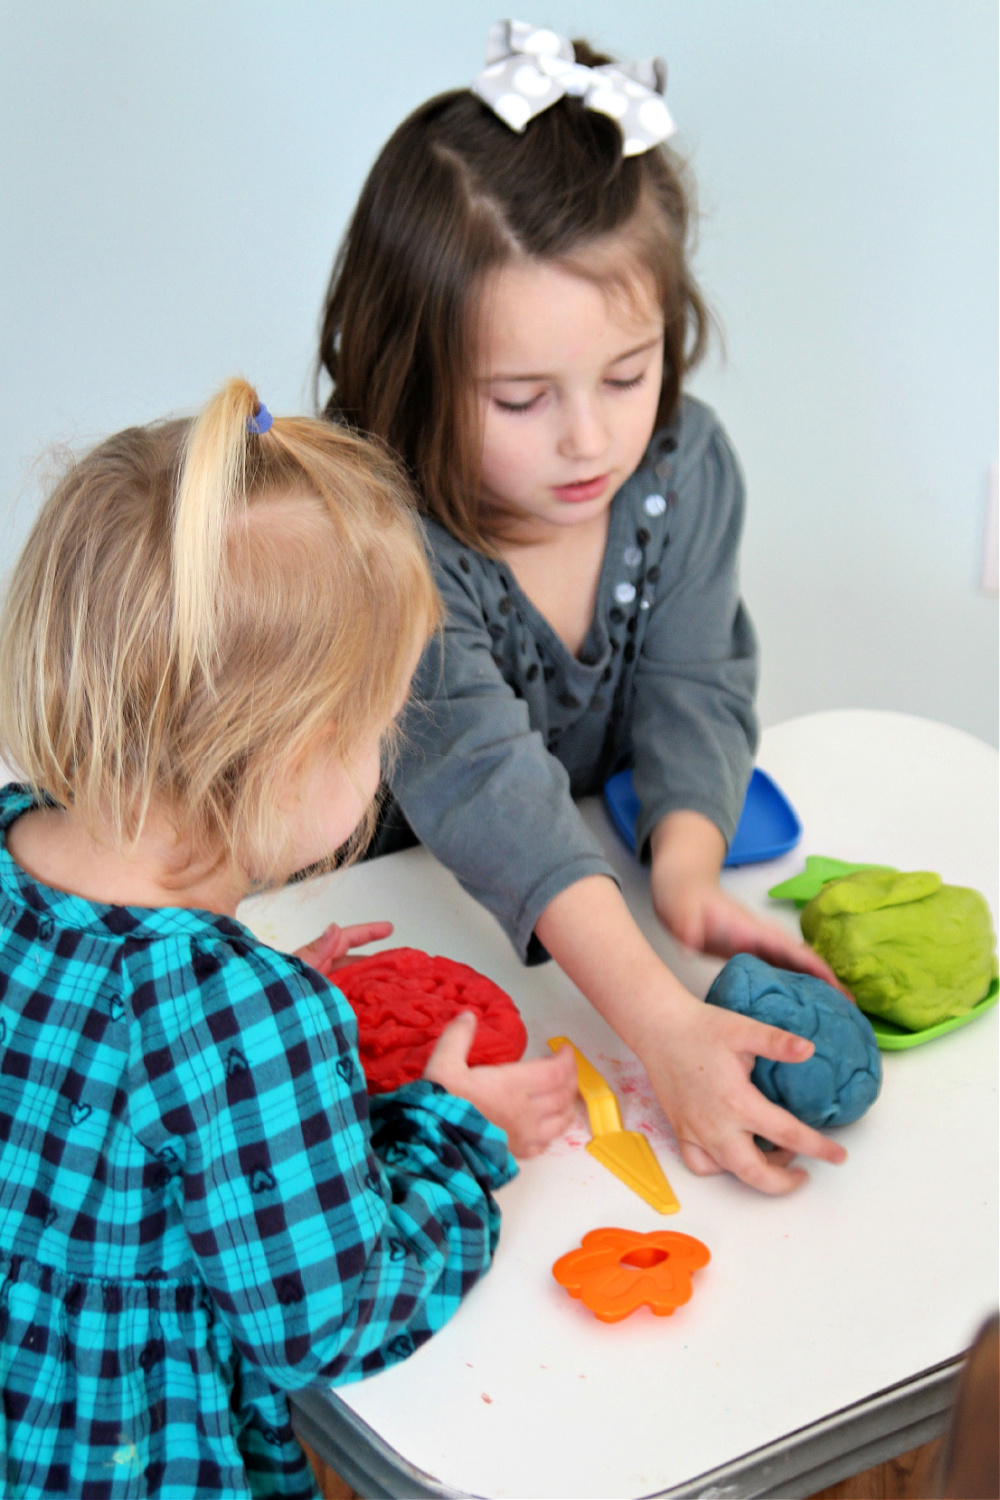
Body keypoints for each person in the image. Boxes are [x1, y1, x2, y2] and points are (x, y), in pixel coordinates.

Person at [0, 378, 575, 1499]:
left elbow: (102, 1066)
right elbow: (335, 1318)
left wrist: (247, 1016)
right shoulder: (242, 1021)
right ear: (296, 756)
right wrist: (460, 1136)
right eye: (379, 728)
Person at [317, 22, 849, 1197]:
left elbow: (692, 683)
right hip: (403, 911)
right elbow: (481, 785)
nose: (590, 439)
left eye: (626, 373)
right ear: (411, 370)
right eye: (519, 397)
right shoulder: (382, 538)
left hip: (577, 922)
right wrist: (658, 1024)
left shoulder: (682, 467)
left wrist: (686, 867)